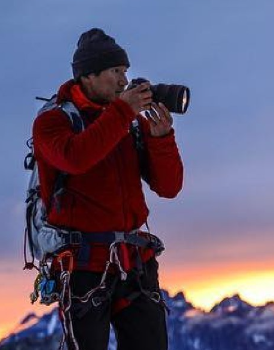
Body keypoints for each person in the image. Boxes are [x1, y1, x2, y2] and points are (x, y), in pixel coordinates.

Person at [32, 28, 183, 350]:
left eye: (125, 72)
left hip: (133, 261)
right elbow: (76, 159)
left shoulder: (127, 123)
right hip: (82, 263)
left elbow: (169, 188)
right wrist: (123, 112)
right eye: (116, 72)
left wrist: (160, 139)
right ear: (88, 76)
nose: (123, 81)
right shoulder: (53, 121)